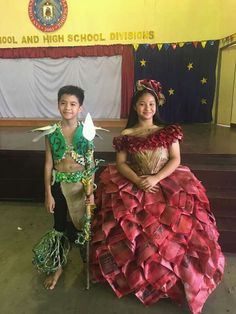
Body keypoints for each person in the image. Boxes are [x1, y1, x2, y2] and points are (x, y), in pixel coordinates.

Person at [91, 79, 225, 314]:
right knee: (134, 233)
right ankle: (140, 280)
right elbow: (121, 163)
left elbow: (175, 159)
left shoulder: (168, 131)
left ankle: (174, 283)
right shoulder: (127, 134)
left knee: (173, 234)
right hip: (134, 183)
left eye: (151, 104)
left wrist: (155, 179)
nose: (147, 108)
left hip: (165, 183)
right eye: (142, 104)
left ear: (157, 105)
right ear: (135, 108)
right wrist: (137, 180)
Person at [32, 85, 96, 290]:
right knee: (59, 227)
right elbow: (48, 164)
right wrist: (48, 193)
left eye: (73, 104)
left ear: (80, 108)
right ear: (58, 105)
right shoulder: (51, 132)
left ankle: (88, 263)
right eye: (63, 103)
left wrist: (90, 192)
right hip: (59, 184)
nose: (67, 107)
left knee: (83, 226)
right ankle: (58, 267)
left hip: (81, 186)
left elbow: (90, 164)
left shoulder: (87, 132)